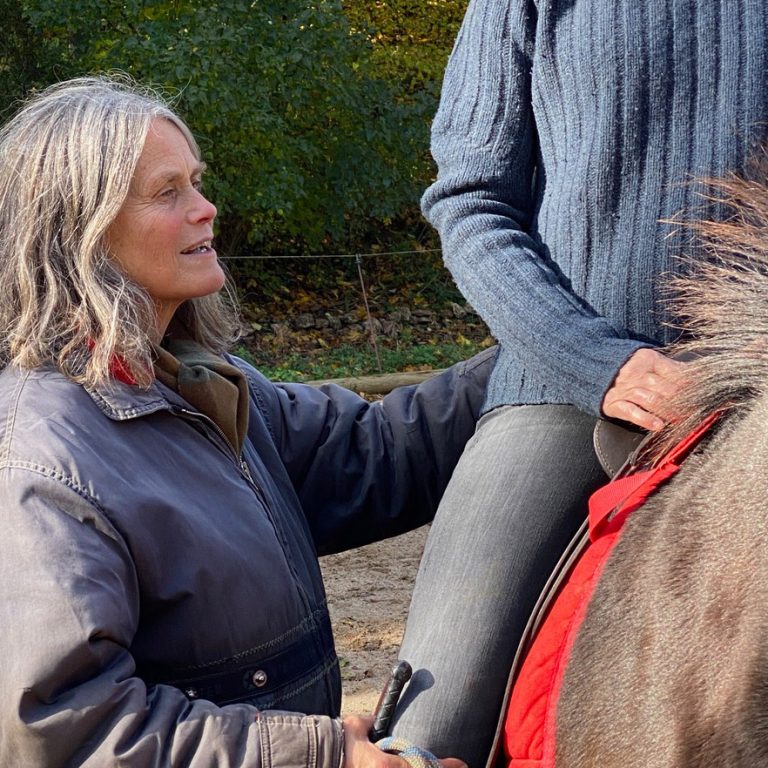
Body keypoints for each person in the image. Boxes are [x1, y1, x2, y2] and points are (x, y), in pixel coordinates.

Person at [0, 75, 493, 767]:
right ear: (79, 229)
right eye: (167, 192)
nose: (205, 209)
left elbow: (376, 449)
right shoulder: (41, 463)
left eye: (196, 182)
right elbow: (72, 732)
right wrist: (325, 759)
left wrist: (551, 346)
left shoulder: (202, 389)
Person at [391, 2, 768, 766]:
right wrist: (596, 362)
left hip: (758, 386)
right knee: (435, 728)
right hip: (566, 392)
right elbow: (471, 200)